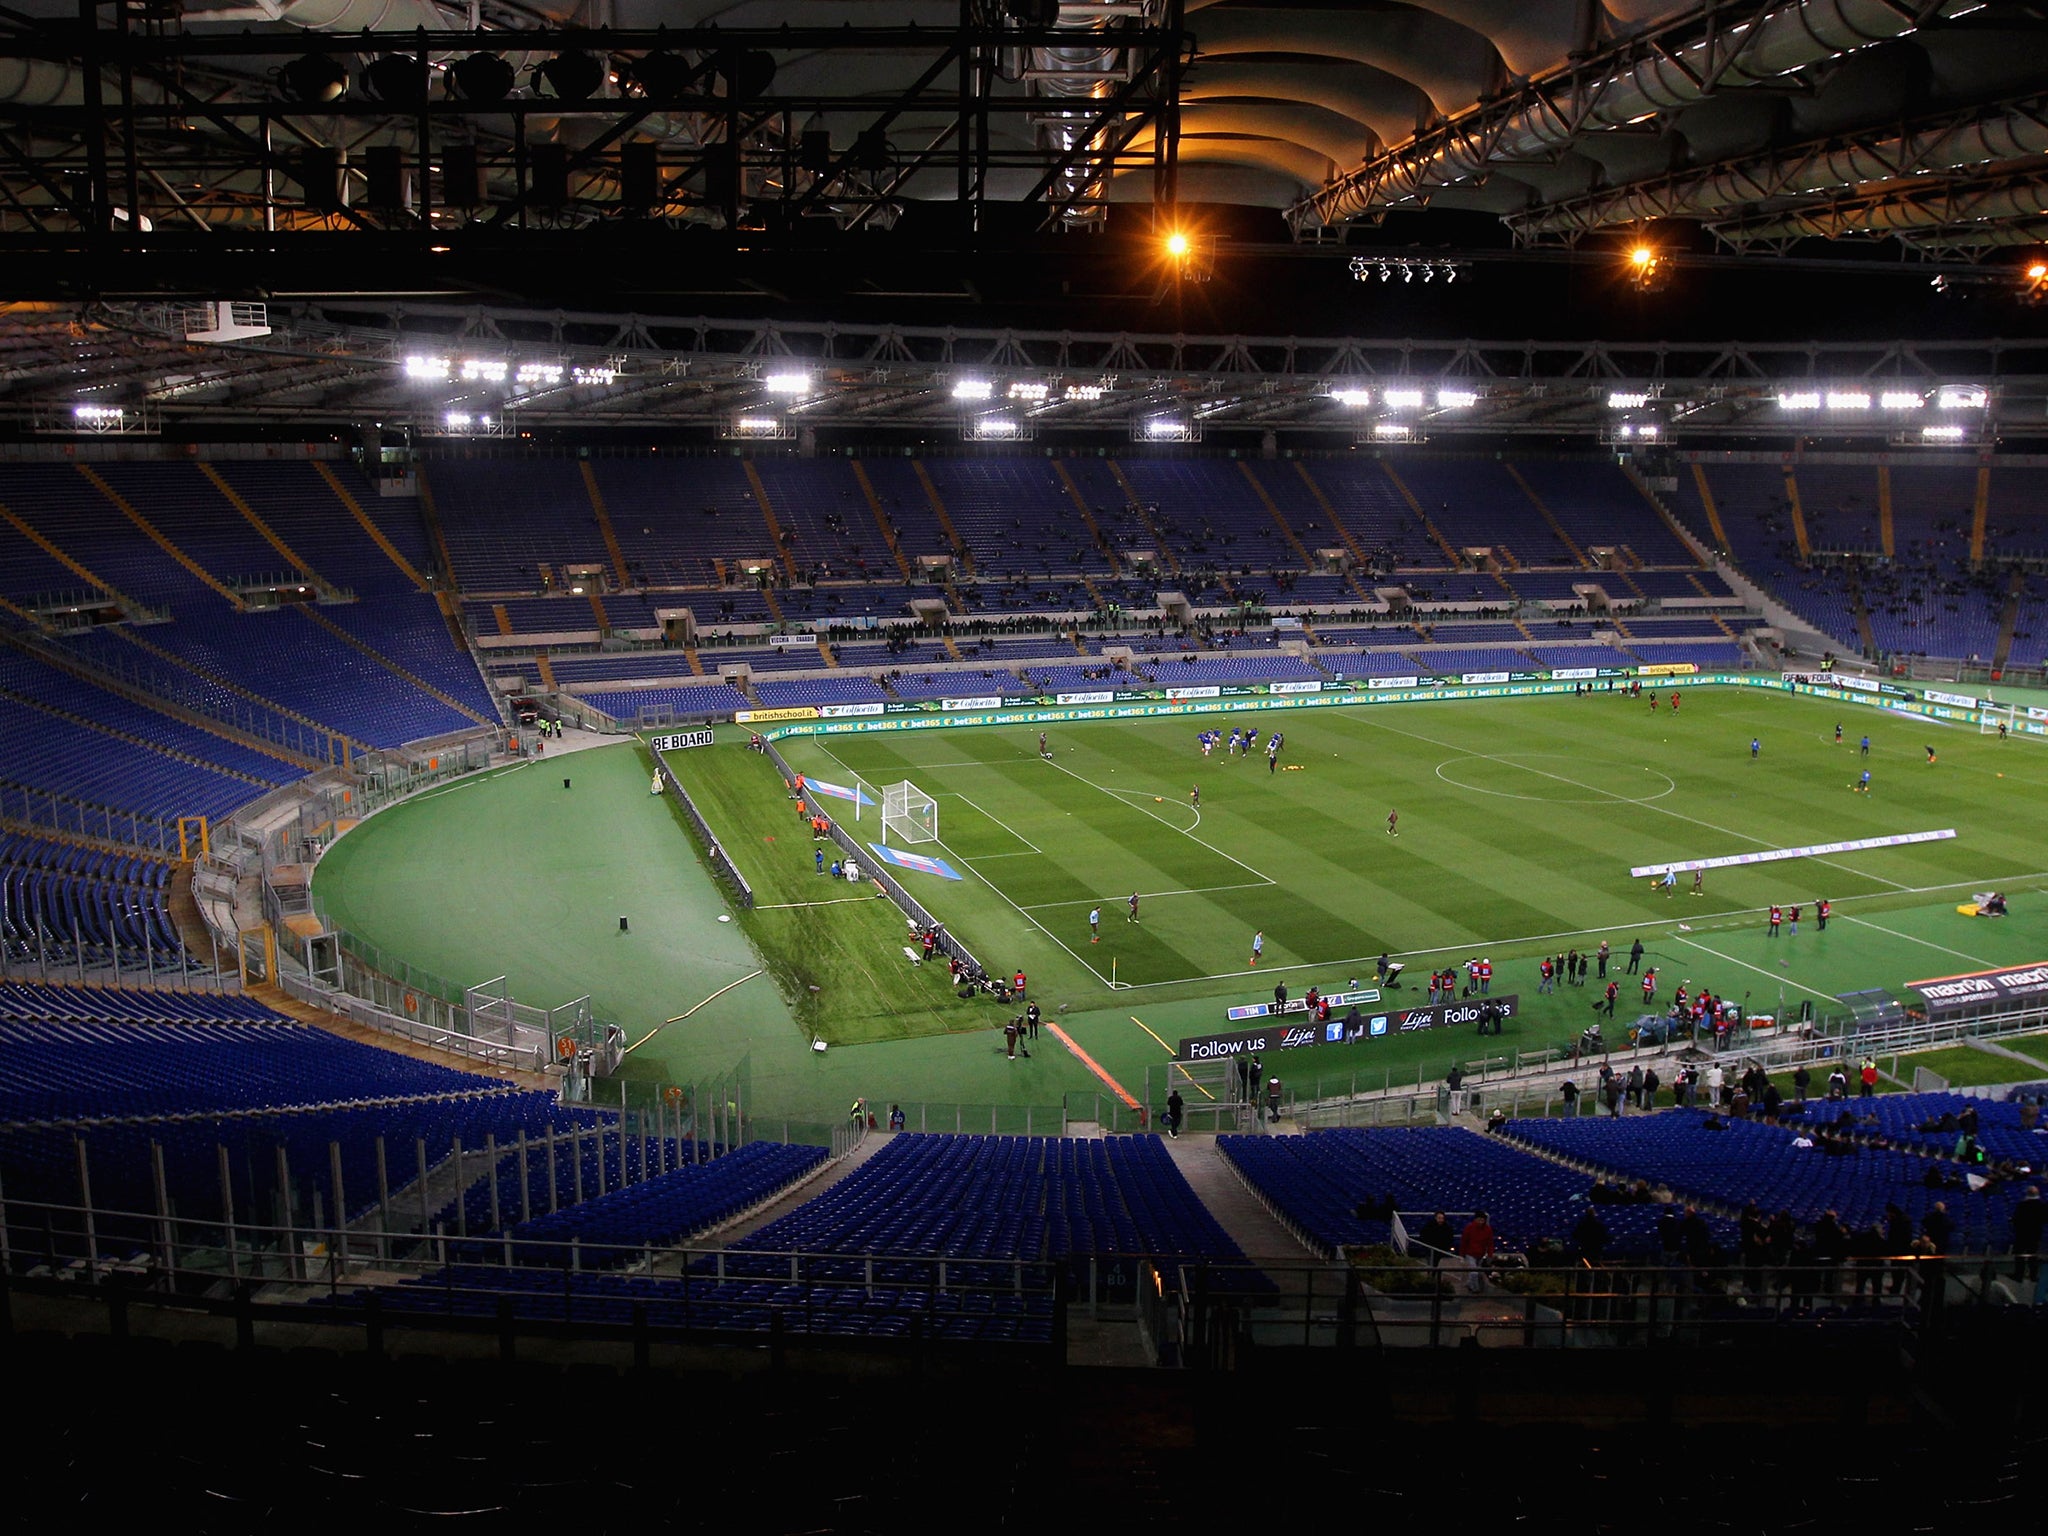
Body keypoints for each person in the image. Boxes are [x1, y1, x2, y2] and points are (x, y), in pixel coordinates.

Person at [2011, 1186, 2044, 1283]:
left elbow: (2016, 1219)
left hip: (2022, 1233)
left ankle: (2019, 1275)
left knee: (2020, 1255)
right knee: (2033, 1255)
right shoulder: (2041, 1206)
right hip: (2035, 1233)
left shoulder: (2022, 1205)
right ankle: (2033, 1276)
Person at [1457, 1210, 1495, 1291]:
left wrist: (1490, 1255)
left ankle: (1470, 1284)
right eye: (1479, 1220)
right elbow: (1464, 1242)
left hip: (1480, 1254)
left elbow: (1490, 1243)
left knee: (1475, 1271)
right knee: (1474, 1272)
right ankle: (1475, 1289)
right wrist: (1462, 1255)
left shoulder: (1488, 1229)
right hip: (1470, 1254)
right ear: (1475, 1219)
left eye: (1482, 1220)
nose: (1481, 1222)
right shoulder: (1469, 1228)